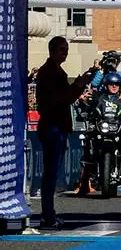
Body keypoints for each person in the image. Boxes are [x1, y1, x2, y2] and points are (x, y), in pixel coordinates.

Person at [34, 36, 93, 229]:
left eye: (66, 49)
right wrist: (77, 85)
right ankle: (47, 216)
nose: (65, 53)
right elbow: (59, 99)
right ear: (52, 50)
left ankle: (48, 214)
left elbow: (66, 97)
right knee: (50, 173)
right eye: (62, 49)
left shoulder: (56, 71)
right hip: (52, 126)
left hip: (57, 125)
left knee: (52, 172)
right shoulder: (49, 72)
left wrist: (80, 84)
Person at [75, 72, 121, 197]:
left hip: (119, 127)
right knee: (88, 143)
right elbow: (88, 105)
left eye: (116, 84)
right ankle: (84, 183)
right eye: (111, 84)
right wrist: (85, 112)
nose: (114, 87)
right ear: (106, 85)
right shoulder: (98, 97)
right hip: (102, 126)